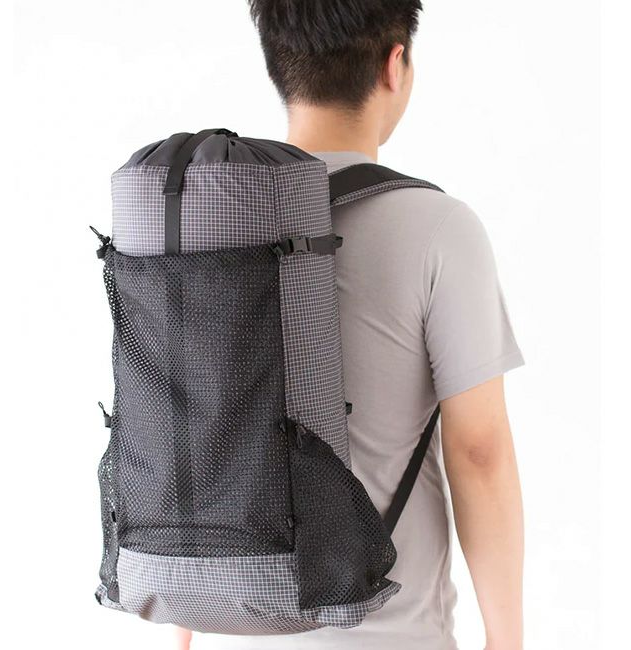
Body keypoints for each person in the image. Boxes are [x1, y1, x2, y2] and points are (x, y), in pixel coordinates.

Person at [179, 1, 525, 648]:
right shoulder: (439, 228)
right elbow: (480, 453)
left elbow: (196, 435)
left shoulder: (214, 219)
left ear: (278, 64)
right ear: (395, 64)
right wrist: (507, 641)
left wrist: (186, 629)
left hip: (232, 627)